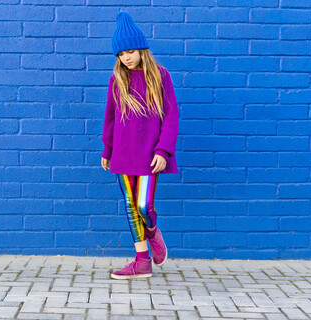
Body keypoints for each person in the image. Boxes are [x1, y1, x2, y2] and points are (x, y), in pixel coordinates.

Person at [100, 11, 180, 280]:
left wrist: (164, 150)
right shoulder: (117, 81)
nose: (127, 58)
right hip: (122, 155)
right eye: (122, 54)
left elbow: (171, 116)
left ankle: (153, 232)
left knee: (144, 206)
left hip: (149, 155)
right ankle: (142, 261)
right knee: (130, 205)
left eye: (131, 51)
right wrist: (107, 150)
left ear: (142, 49)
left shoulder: (160, 76)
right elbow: (110, 119)